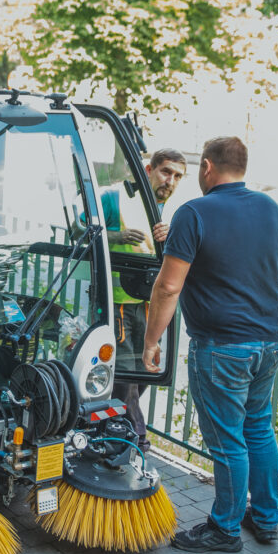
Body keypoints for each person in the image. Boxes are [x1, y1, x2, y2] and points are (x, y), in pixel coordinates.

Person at [142, 136, 278, 553]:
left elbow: (168, 286)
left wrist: (152, 341)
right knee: (258, 429)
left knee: (226, 440)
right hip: (268, 341)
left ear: (207, 167)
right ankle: (265, 518)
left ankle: (223, 528)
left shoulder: (194, 212)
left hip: (223, 346)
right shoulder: (273, 210)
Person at [102, 148, 186, 453]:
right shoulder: (113, 199)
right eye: (166, 172)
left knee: (144, 372)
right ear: (148, 169)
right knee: (125, 376)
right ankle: (135, 438)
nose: (171, 181)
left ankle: (116, 426)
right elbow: (80, 232)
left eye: (178, 176)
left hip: (152, 306)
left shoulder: (170, 213)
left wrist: (172, 236)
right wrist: (117, 237)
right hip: (118, 302)